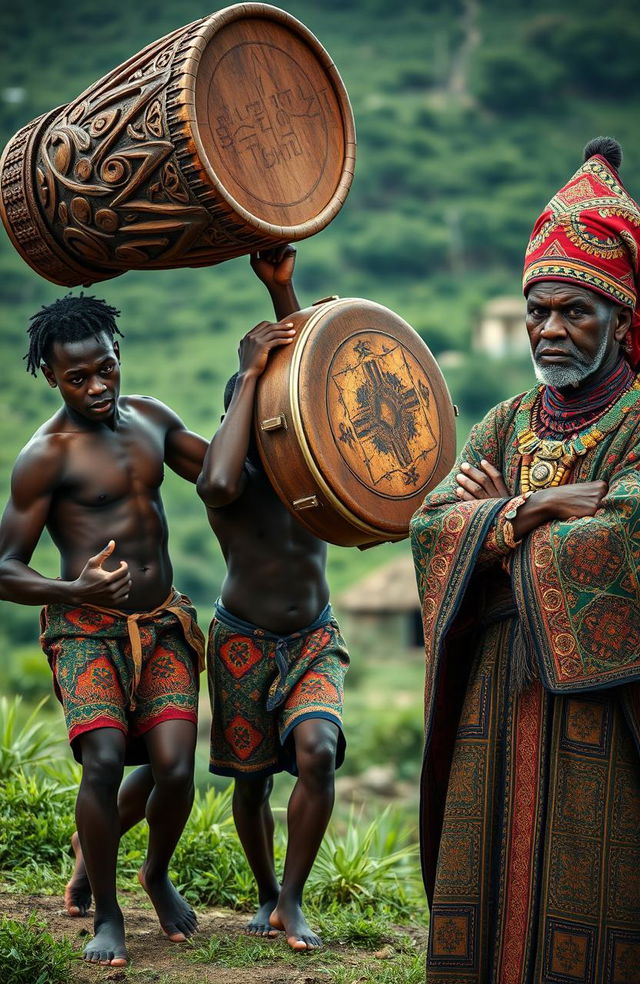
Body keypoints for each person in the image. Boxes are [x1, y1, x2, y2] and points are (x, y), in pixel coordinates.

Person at [410, 137, 640, 983]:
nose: (549, 328)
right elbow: (433, 526)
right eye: (538, 309)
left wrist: (490, 524)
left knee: (593, 881)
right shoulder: (505, 421)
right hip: (494, 690)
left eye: (576, 310)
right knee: (487, 873)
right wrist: (534, 509)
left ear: (621, 318)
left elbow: (625, 532)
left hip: (601, 701)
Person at [0, 293, 210, 967]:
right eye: (77, 378)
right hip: (86, 628)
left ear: (119, 357)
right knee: (105, 760)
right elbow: (2, 567)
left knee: (175, 768)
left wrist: (267, 374)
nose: (96, 386)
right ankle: (108, 912)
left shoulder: (150, 419)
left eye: (106, 369)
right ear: (53, 377)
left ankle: (155, 872)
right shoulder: (46, 456)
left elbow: (222, 472)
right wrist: (73, 588)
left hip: (162, 619)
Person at [196, 247, 350, 952]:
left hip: (313, 636)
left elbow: (314, 380)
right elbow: (217, 486)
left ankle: (291, 900)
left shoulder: (307, 466)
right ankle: (264, 893)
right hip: (241, 642)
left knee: (317, 752)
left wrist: (284, 290)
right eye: (257, 410)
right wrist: (250, 373)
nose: (274, 420)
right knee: (252, 784)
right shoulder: (229, 478)